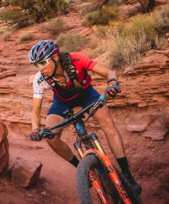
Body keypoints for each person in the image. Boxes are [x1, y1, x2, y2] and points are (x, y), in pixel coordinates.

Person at [27, 39, 141, 193]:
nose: (40, 69)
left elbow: (109, 72)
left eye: (43, 63)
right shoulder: (39, 79)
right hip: (63, 103)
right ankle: (83, 169)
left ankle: (126, 174)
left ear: (55, 57)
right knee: (51, 138)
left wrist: (112, 83)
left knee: (108, 124)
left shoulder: (77, 59)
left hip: (87, 96)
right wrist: (35, 129)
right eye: (36, 65)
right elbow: (35, 110)